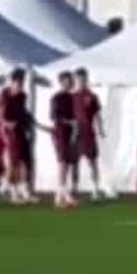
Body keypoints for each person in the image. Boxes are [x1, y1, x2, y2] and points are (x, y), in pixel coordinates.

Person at [0, 68, 34, 204]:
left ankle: (24, 190)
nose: (20, 85)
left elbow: (23, 112)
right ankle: (12, 192)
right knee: (14, 162)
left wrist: (29, 124)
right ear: (12, 82)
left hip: (21, 130)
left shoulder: (23, 96)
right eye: (18, 82)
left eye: (22, 82)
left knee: (25, 160)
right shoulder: (4, 95)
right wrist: (6, 123)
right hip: (9, 132)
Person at [46, 70, 81, 208]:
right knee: (63, 163)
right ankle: (64, 194)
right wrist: (68, 122)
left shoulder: (73, 97)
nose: (71, 82)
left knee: (69, 163)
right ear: (61, 82)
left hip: (71, 133)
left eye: (71, 80)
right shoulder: (56, 98)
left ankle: (60, 195)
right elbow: (53, 116)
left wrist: (76, 124)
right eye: (68, 80)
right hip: (60, 133)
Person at [71, 68, 106, 201]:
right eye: (79, 79)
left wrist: (101, 129)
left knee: (92, 161)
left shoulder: (92, 96)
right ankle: (74, 188)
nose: (82, 82)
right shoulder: (72, 97)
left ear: (87, 79)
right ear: (76, 80)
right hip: (75, 133)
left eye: (84, 79)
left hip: (88, 133)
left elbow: (97, 114)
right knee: (74, 162)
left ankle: (95, 189)